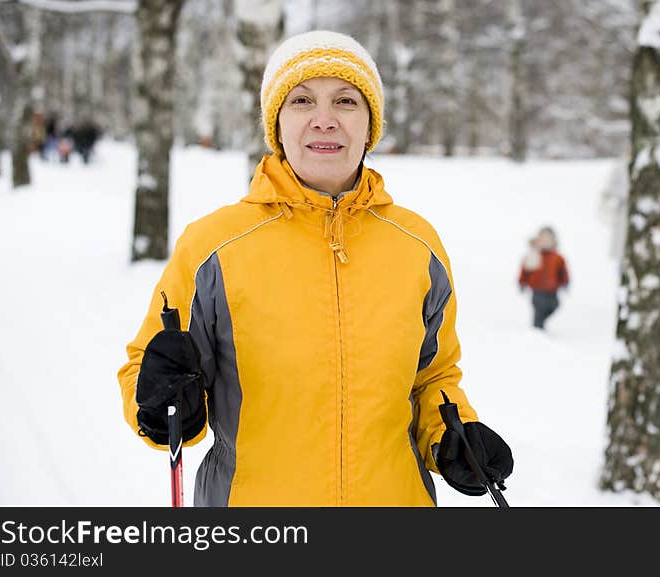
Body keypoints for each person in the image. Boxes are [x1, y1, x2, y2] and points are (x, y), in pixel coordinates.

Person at [117, 30, 513, 507]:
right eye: (302, 100)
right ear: (276, 124)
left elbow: (433, 377)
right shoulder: (213, 247)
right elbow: (147, 366)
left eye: (346, 101)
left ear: (370, 125)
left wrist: (451, 438)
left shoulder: (417, 245)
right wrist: (163, 403)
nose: (324, 121)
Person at [518, 226, 569, 330]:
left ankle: (541, 323)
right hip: (537, 288)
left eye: (548, 239)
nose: (545, 241)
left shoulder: (557, 257)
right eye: (542, 239)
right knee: (538, 308)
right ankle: (537, 331)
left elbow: (563, 272)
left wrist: (565, 282)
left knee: (554, 305)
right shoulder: (533, 254)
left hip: (552, 289)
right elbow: (525, 271)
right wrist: (522, 282)